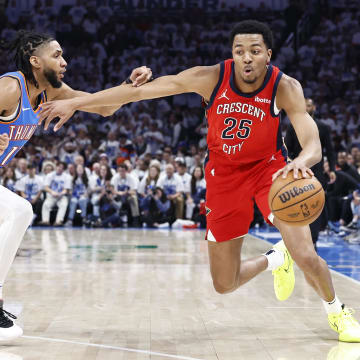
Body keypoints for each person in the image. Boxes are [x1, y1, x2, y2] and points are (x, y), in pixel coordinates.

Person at [39, 20, 360, 342]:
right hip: (223, 178)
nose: (246, 57)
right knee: (225, 283)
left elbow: (313, 144)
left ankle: (337, 311)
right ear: (232, 54)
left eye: (255, 51)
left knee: (305, 253)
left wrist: (301, 161)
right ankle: (275, 258)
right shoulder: (210, 77)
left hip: (270, 172)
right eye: (239, 51)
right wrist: (75, 102)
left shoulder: (285, 86)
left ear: (268, 55)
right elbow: (137, 93)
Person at [0, 29, 151, 340]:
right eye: (56, 55)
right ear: (35, 60)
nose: (64, 61)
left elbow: (103, 107)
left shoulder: (48, 92)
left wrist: (128, 86)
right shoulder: (9, 88)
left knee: (17, 212)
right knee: (19, 210)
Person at [285, 98, 336, 250]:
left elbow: (330, 151)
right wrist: (290, 163)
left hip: (317, 172)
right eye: (305, 105)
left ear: (313, 107)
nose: (307, 107)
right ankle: (298, 240)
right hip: (297, 171)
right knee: (297, 206)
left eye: (309, 105)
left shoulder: (323, 127)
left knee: (315, 206)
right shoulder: (293, 126)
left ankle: (313, 240)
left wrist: (332, 169)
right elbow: (287, 149)